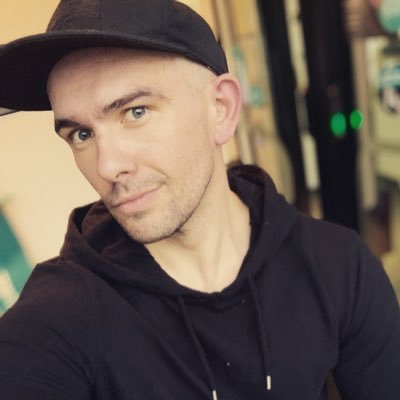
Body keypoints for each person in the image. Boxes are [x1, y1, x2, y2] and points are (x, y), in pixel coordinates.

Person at [0, 0, 399, 399]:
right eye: (82, 134)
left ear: (220, 109)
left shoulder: (337, 265)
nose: (107, 167)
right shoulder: (58, 319)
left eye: (136, 112)